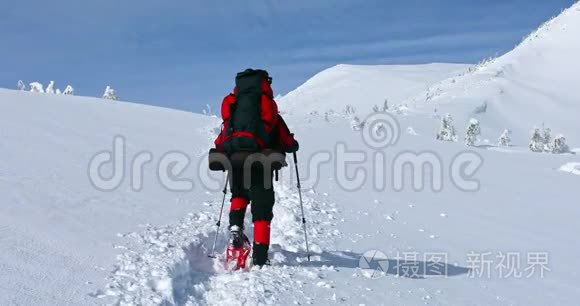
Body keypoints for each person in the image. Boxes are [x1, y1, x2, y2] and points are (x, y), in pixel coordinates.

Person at [213, 69, 299, 266]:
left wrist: (223, 149)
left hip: (236, 158)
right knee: (262, 205)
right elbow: (283, 135)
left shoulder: (234, 104)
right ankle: (260, 255)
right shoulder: (266, 104)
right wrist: (292, 144)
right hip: (261, 161)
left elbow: (223, 135)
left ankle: (235, 226)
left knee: (239, 194)